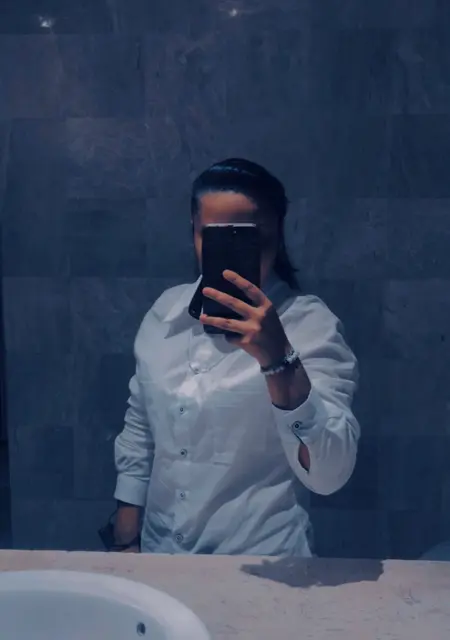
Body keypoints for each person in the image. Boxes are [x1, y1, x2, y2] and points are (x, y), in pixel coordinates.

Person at [113, 158, 360, 556]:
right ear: (193, 232)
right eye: (213, 236)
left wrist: (279, 361)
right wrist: (126, 530)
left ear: (276, 237)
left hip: (264, 562)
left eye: (248, 238)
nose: (231, 253)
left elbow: (329, 475)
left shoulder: (310, 325)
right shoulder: (164, 313)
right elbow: (140, 424)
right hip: (160, 557)